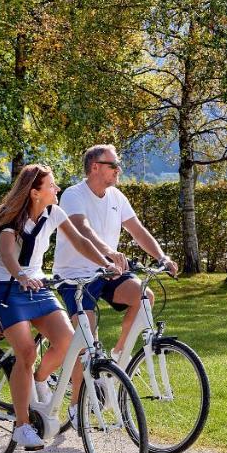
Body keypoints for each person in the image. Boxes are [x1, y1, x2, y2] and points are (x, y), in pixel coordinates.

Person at [0, 163, 118, 450]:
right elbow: (8, 253)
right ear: (34, 192)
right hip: (6, 289)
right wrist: (19, 275)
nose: (57, 189)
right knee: (27, 351)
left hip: (38, 287)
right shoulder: (12, 220)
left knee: (71, 342)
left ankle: (54, 391)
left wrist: (105, 263)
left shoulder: (54, 213)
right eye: (51, 185)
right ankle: (22, 426)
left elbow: (81, 241)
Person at [53, 145, 178, 374]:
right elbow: (83, 230)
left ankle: (120, 354)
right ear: (95, 167)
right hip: (75, 276)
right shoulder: (73, 195)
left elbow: (137, 231)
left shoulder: (116, 197)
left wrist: (162, 256)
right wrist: (108, 252)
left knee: (143, 296)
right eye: (113, 165)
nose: (118, 169)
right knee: (86, 343)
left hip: (108, 271)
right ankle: (75, 405)